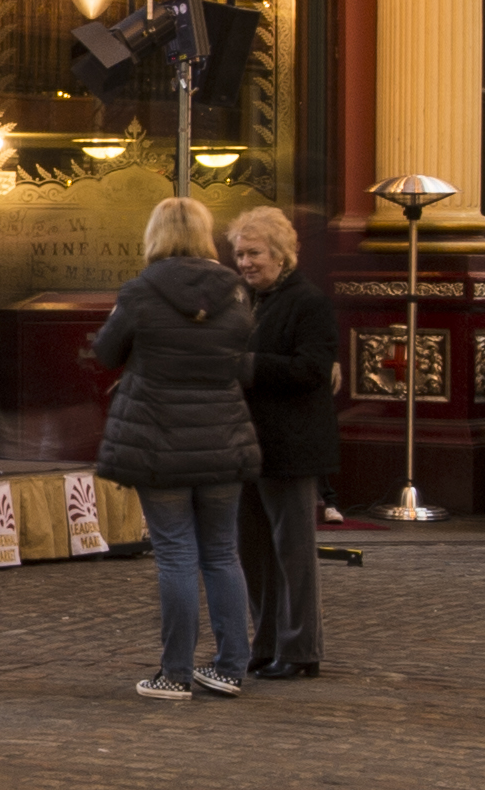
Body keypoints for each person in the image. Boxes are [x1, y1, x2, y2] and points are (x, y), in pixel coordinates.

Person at [88, 194, 259, 699]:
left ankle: (175, 673)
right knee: (223, 554)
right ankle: (230, 667)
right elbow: (242, 357)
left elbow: (106, 351)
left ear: (154, 235)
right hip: (223, 437)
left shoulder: (139, 292)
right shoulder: (237, 294)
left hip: (158, 439)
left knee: (176, 555)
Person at [229, 205, 338, 678]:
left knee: (292, 551)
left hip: (291, 443)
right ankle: (265, 640)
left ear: (281, 254)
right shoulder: (246, 301)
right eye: (239, 254)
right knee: (252, 549)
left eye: (254, 253)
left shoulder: (307, 301)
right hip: (246, 441)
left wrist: (248, 365)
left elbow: (313, 368)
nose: (246, 262)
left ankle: (299, 650)